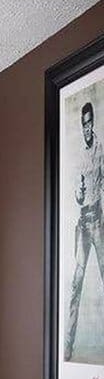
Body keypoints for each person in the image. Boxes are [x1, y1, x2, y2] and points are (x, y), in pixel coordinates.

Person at [65, 100, 104, 361]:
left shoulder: (101, 150)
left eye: (90, 123)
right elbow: (77, 196)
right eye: (84, 124)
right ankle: (67, 346)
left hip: (98, 220)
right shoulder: (78, 154)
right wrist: (79, 194)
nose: (87, 128)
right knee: (76, 283)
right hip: (82, 221)